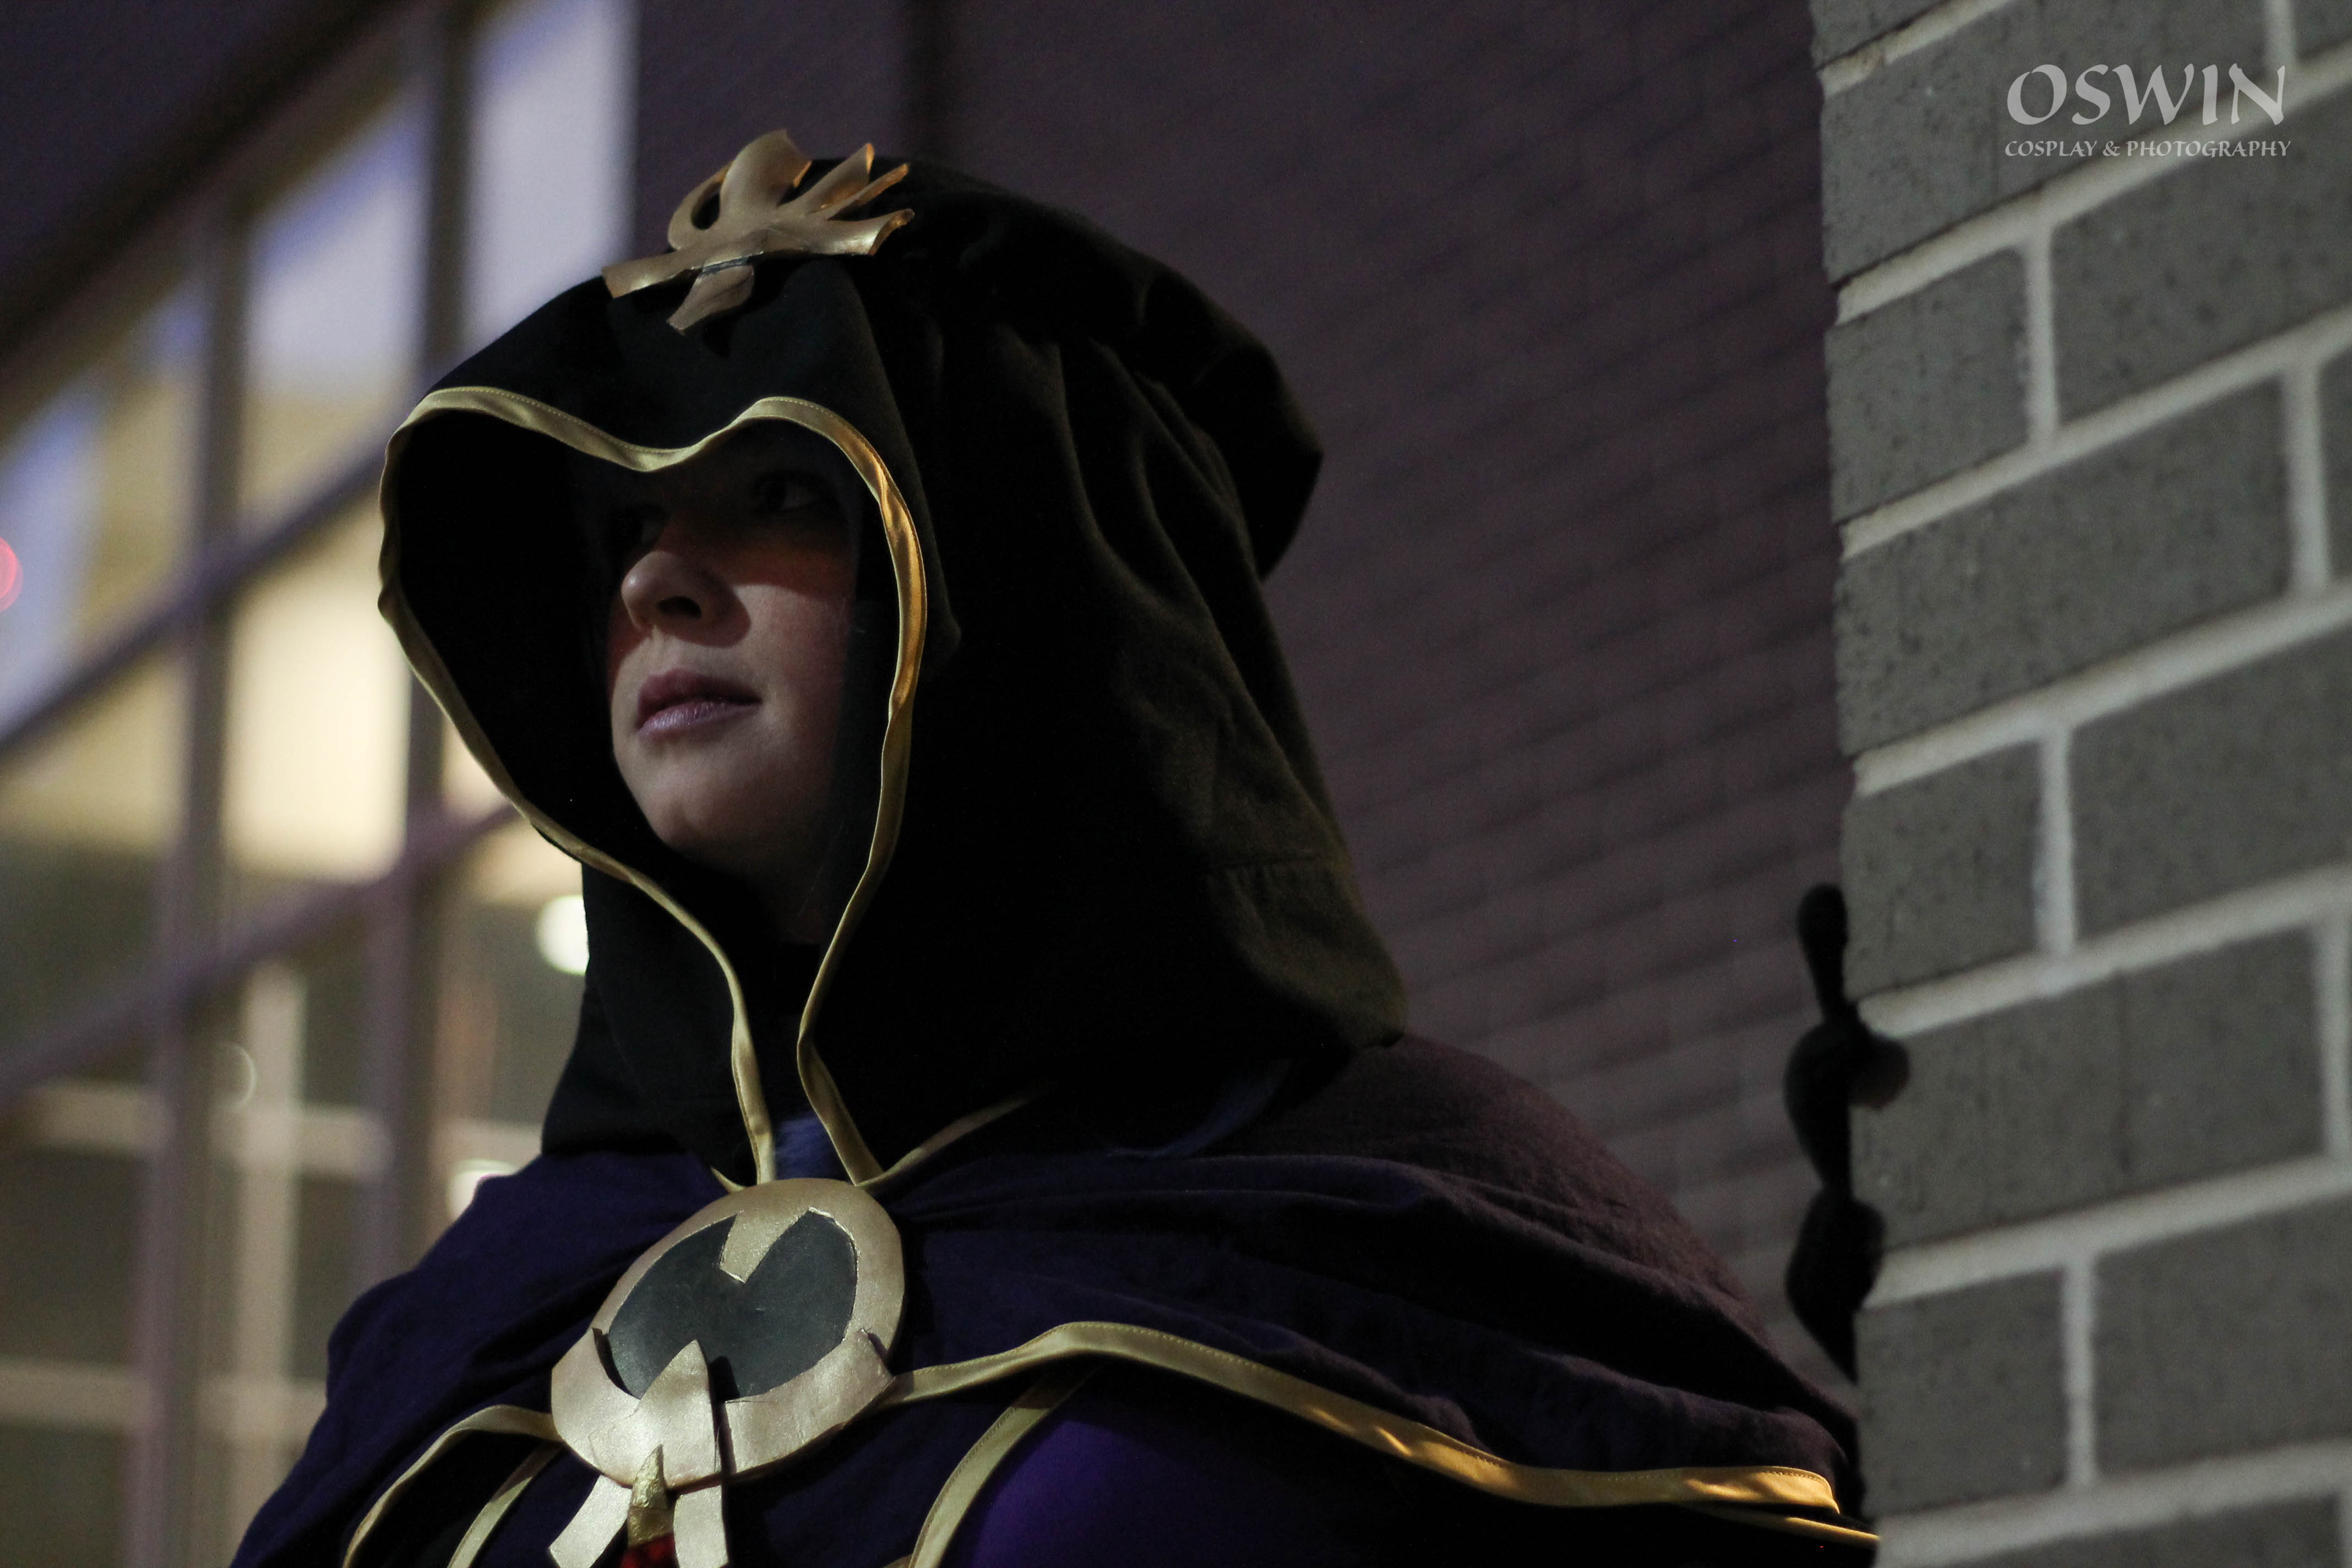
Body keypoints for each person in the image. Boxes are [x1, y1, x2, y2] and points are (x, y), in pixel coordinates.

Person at [231, 129, 1871, 1568]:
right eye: (629, 527)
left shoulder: (1402, 1225)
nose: (656, 581)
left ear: (1019, 586)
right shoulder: (495, 1299)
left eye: (785, 494)